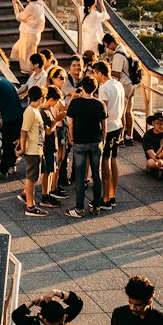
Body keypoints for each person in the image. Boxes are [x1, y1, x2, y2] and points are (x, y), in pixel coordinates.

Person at [65, 75, 106, 218]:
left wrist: (71, 138)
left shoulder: (75, 104)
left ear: (82, 87)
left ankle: (79, 208)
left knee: (81, 176)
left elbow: (70, 124)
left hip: (80, 142)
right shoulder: (100, 104)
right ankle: (96, 206)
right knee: (97, 175)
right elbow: (104, 126)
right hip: (96, 142)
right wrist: (103, 140)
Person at [94, 59, 125, 211]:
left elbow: (102, 111)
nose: (95, 76)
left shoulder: (103, 88)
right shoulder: (118, 84)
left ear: (100, 73)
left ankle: (105, 199)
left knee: (104, 161)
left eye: (95, 73)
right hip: (118, 124)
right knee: (114, 159)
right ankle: (112, 196)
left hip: (108, 127)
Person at [18, 90, 47, 217]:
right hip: (32, 150)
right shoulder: (30, 112)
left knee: (35, 177)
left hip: (37, 148)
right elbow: (24, 131)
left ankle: (26, 195)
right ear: (41, 98)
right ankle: (30, 206)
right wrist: (22, 148)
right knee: (31, 178)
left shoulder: (35, 111)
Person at [10, 0, 46, 74]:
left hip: (28, 35)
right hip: (34, 34)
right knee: (17, 49)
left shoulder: (32, 6)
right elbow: (26, 15)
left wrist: (14, 5)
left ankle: (32, 77)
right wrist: (19, 4)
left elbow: (19, 17)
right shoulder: (39, 4)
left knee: (28, 59)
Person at [141, 111, 163, 176]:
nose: (161, 126)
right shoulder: (148, 136)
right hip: (155, 159)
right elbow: (150, 153)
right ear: (153, 123)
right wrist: (158, 161)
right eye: (158, 123)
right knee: (150, 163)